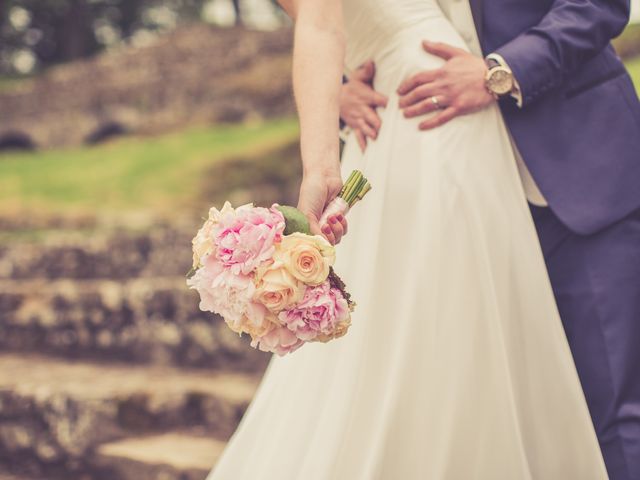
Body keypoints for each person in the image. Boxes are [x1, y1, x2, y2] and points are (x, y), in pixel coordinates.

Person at [206, 0, 612, 477]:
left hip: (440, 102)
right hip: (430, 114)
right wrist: (321, 163)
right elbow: (319, 22)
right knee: (442, 319)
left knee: (460, 316)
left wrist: (341, 88)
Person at [340, 1, 640, 478]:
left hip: (576, 180)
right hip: (447, 211)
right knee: (505, 415)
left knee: (614, 409)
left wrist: (498, 73)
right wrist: (343, 91)